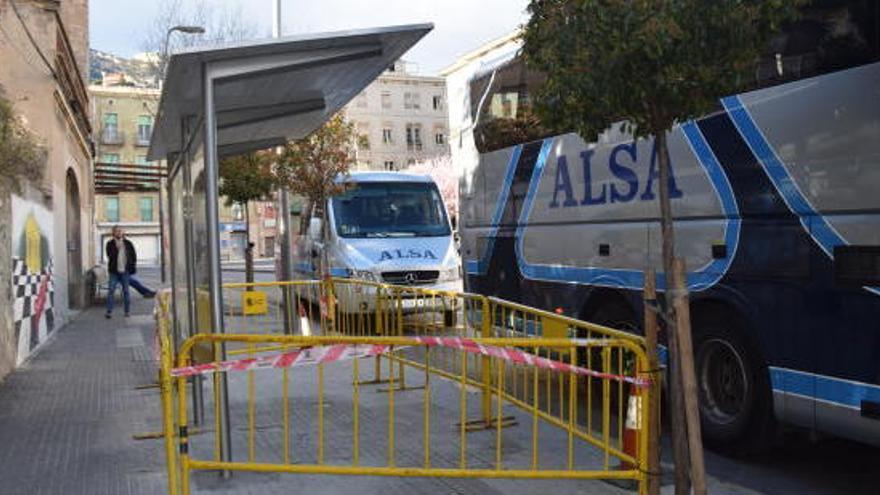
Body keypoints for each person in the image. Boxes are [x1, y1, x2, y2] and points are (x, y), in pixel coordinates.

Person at [105, 226, 155, 318]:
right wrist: (117, 248)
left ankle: (127, 311)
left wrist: (132, 267)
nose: (119, 233)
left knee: (126, 291)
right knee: (111, 291)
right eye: (116, 231)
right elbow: (109, 256)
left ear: (123, 232)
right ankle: (109, 311)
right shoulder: (110, 244)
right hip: (114, 272)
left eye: (120, 231)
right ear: (113, 233)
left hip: (125, 271)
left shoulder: (128, 243)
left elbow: (133, 256)